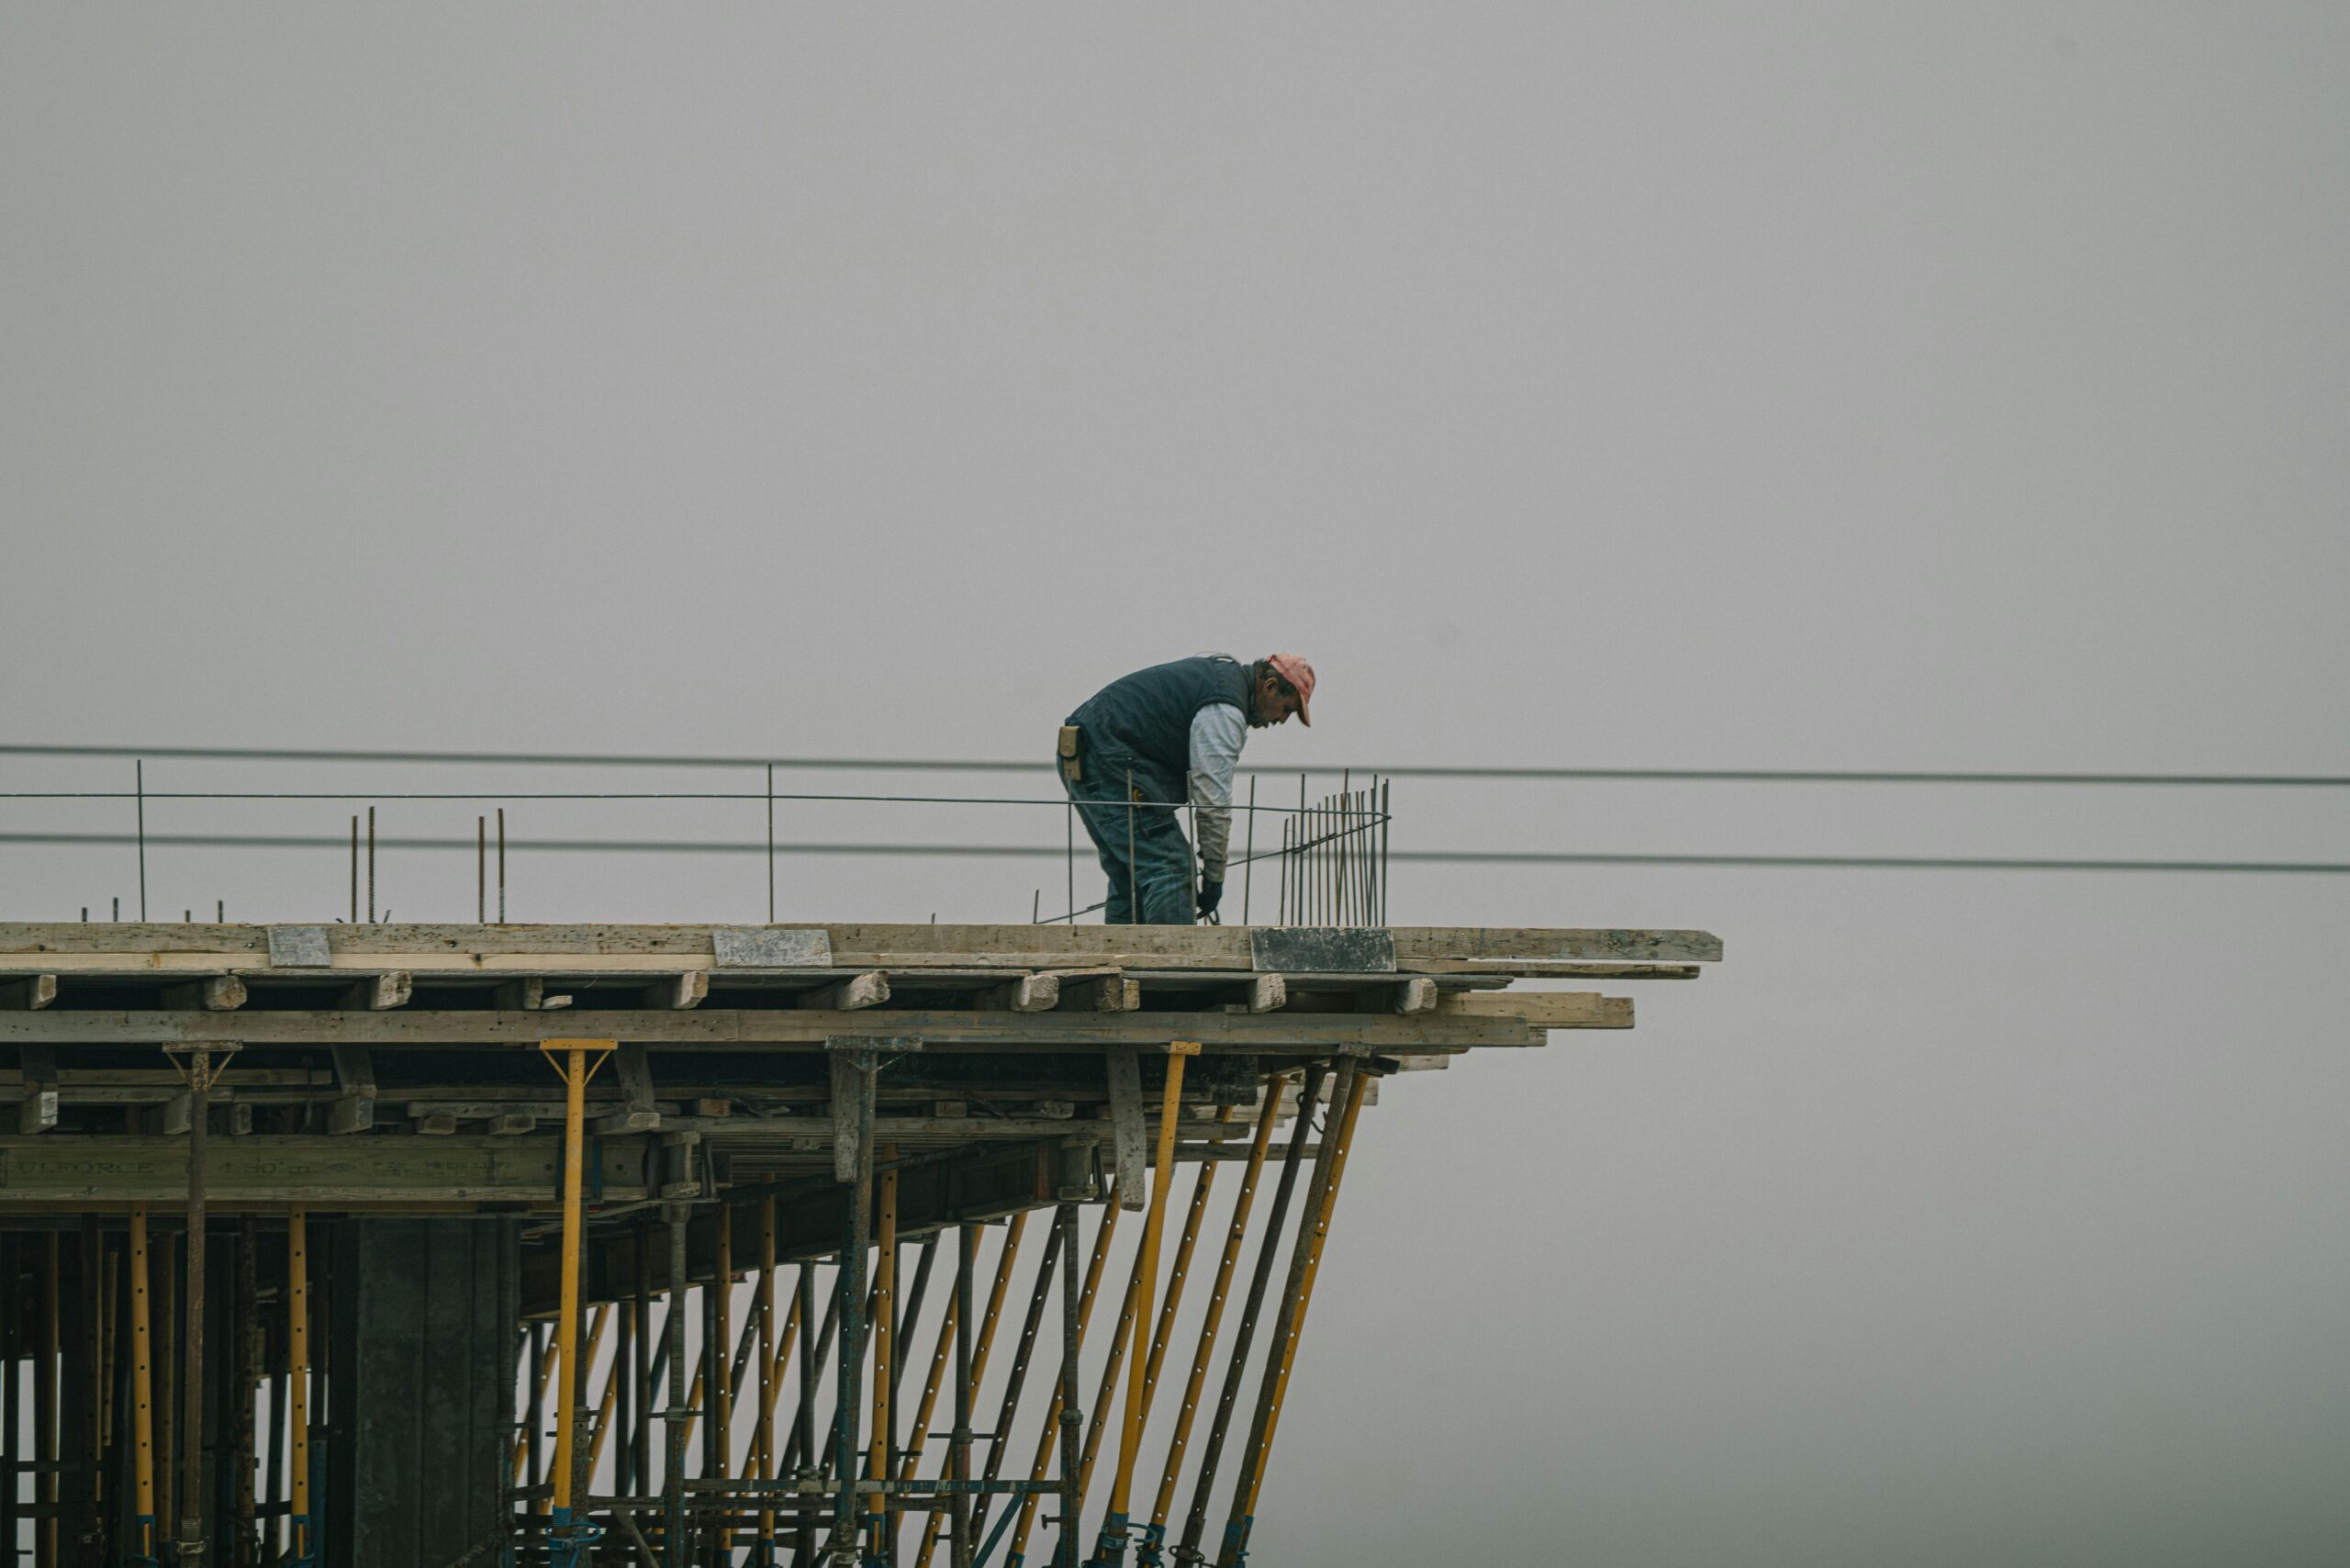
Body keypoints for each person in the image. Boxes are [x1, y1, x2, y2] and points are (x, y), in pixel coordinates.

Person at [1057, 653, 1315, 924]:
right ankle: (1167, 965)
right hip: (1107, 759)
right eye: (1287, 708)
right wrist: (1215, 876)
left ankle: (1123, 957)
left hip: (1083, 753)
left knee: (1130, 877)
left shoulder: (1219, 683)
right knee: (1172, 869)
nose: (1283, 720)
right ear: (1270, 686)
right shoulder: (1224, 708)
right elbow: (1212, 800)